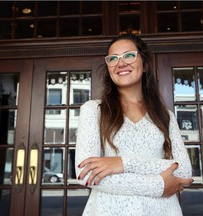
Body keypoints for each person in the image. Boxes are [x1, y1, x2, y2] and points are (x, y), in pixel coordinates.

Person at [75, 34, 193, 216]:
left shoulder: (165, 116)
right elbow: (86, 175)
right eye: (113, 59)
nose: (120, 63)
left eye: (129, 55)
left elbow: (183, 172)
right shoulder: (93, 110)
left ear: (145, 65)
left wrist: (122, 163)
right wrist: (160, 185)